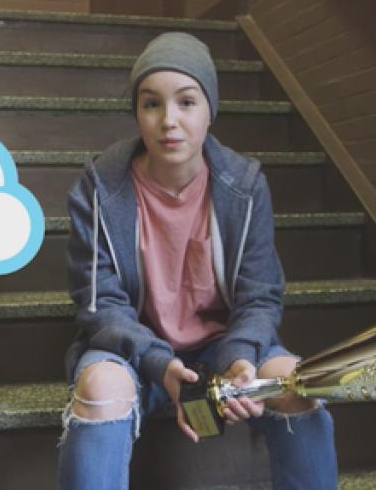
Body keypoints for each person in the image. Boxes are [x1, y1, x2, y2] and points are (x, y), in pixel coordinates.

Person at [57, 32, 338, 490]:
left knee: (298, 385)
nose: (169, 120)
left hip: (223, 347)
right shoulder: (99, 188)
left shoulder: (244, 187)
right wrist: (158, 364)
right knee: (101, 389)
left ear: (210, 110)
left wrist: (241, 358)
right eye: (151, 104)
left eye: (187, 102)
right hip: (135, 350)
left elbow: (261, 295)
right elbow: (99, 304)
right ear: (137, 113)